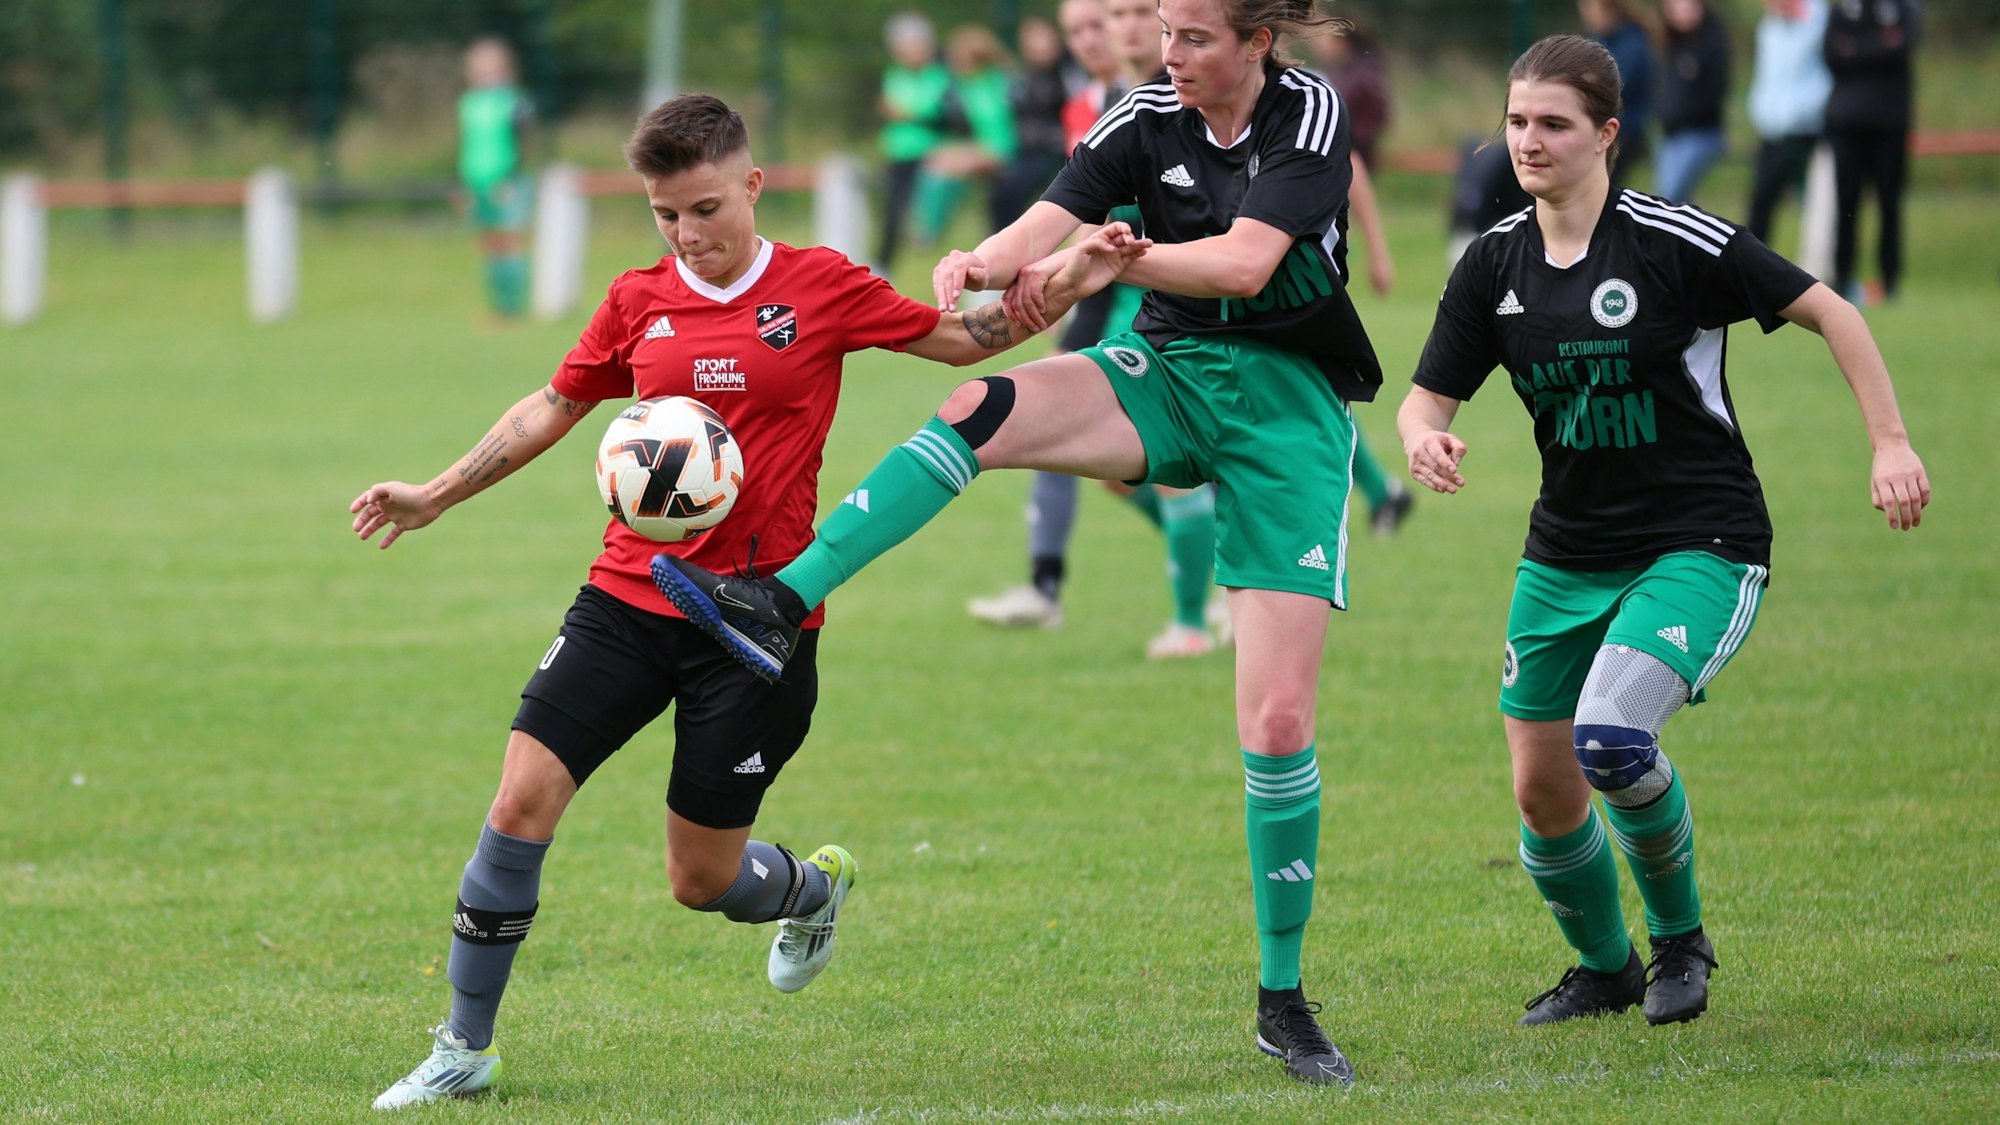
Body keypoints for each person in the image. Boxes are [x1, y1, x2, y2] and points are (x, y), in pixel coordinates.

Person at [354, 93, 1139, 1109]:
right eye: (666, 215)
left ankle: (810, 891)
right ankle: (463, 1046)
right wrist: (436, 494)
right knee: (519, 800)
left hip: (759, 625)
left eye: (706, 209)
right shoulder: (638, 299)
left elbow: (963, 339)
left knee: (700, 880)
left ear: (754, 185)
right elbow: (554, 403)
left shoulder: (821, 286)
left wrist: (1069, 276)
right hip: (628, 597)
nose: (689, 234)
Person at [654, 0, 1379, 1087]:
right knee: (975, 411)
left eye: (1192, 38)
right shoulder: (1144, 113)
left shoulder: (1305, 112)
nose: (1167, 57)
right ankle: (777, 599)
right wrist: (974, 264)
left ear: (1254, 43)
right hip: (1174, 379)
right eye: (1164, 36)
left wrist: (1108, 268)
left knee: (1274, 723)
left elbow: (1239, 265)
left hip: (1288, 411)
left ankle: (1281, 998)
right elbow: (1046, 220)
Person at [1397, 34, 1929, 1030]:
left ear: (1606, 132)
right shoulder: (1493, 264)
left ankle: (1679, 939)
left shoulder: (1670, 239)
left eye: (1551, 123)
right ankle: (1604, 970)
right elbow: (1422, 400)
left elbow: (1832, 313)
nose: (1528, 141)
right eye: (1515, 122)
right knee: (1542, 796)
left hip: (1699, 538)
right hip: (1561, 553)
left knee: (1608, 738)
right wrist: (1425, 439)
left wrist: (1888, 443)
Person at [1824, 0, 1919, 304]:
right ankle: (1841, 278)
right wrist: (1879, 46)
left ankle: (1889, 280)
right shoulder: (1842, 10)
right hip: (1846, 125)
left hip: (1889, 125)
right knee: (1846, 206)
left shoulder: (1902, 9)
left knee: (1889, 204)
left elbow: (1903, 47)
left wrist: (1855, 48)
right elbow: (1831, 54)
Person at [914, 26, 1020, 245]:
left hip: (1004, 148)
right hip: (983, 146)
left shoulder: (999, 81)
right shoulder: (965, 85)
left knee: (947, 167)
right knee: (935, 159)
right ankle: (928, 224)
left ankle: (932, 229)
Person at [456, 37, 533, 320]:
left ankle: (514, 308)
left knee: (509, 241)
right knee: (489, 244)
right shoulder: (468, 104)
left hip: (507, 183)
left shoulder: (515, 102)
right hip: (477, 183)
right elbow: (468, 146)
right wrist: (463, 184)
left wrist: (511, 178)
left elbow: (523, 142)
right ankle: (498, 307)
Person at [1743, 0, 1832, 244]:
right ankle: (1751, 271)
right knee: (1761, 201)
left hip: (1810, 131)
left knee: (1819, 206)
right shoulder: (1769, 28)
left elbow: (1827, 75)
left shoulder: (1822, 25)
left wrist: (1806, 110)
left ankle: (1825, 269)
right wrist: (1762, 111)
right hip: (1774, 130)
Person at [874, 11, 952, 275]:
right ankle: (883, 267)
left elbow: (935, 113)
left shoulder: (940, 75)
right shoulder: (894, 74)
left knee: (928, 215)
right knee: (892, 212)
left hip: (930, 154)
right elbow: (891, 108)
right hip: (899, 152)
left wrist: (906, 113)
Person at [1654, 0, 1730, 203]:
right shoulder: (1671, 44)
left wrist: (1682, 113)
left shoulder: (1712, 44)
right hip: (1670, 134)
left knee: (1669, 196)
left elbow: (1716, 92)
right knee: (1672, 201)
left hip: (1700, 133)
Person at [1578, 0, 1657, 182]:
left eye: (1591, 8)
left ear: (1609, 9)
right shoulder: (1595, 39)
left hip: (1626, 129)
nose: (1587, 15)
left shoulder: (1633, 42)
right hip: (1596, 125)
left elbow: (1616, 84)